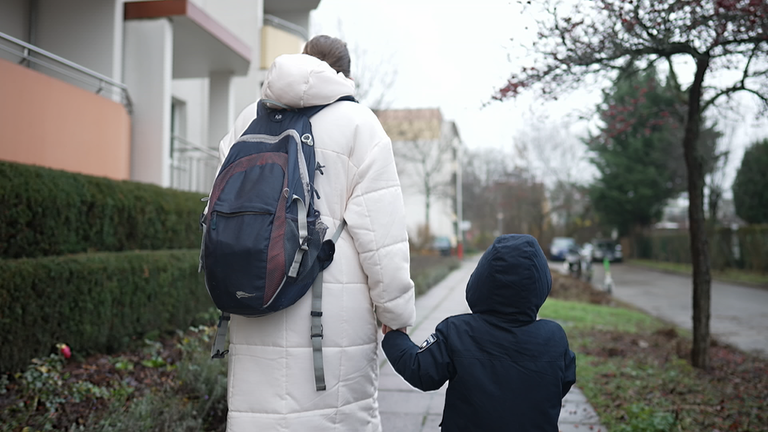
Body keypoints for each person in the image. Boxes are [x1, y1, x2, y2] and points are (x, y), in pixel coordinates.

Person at [215, 36, 415, 431]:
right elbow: (382, 235)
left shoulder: (247, 120)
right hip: (332, 315)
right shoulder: (360, 125)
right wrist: (396, 314)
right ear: (346, 75)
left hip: (256, 294)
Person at [382, 234, 576, 432]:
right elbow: (565, 380)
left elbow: (420, 370)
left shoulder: (457, 332)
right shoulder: (555, 338)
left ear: (482, 278)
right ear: (541, 282)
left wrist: (395, 337)